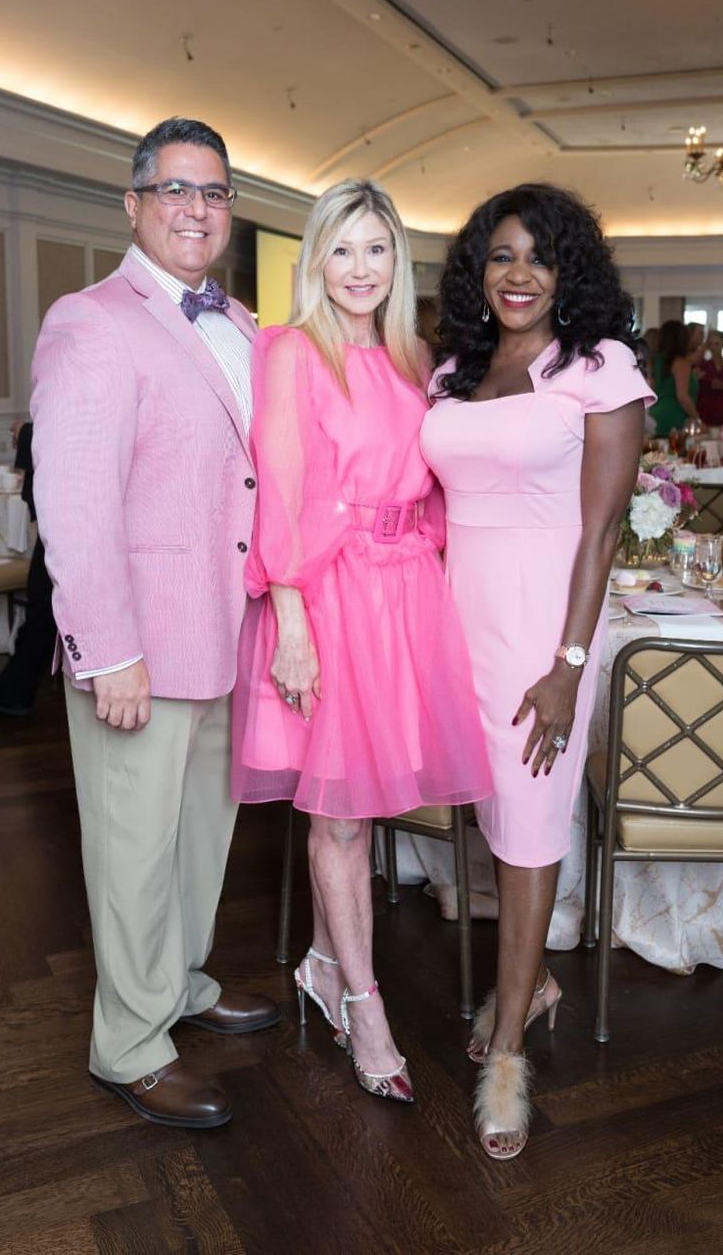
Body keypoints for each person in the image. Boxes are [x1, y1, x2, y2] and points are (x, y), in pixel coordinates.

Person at [31, 117, 279, 1132]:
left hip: (225, 634)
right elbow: (75, 502)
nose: (195, 207)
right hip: (138, 644)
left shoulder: (247, 324)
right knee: (131, 845)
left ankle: (175, 980)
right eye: (173, 188)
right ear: (131, 204)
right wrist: (108, 651)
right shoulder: (89, 319)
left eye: (214, 192)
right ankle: (127, 1041)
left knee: (197, 838)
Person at [233, 179, 491, 1106]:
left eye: (375, 249)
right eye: (340, 250)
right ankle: (365, 1003)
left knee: (372, 804)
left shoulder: (416, 355)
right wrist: (291, 618)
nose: (358, 269)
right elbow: (283, 489)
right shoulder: (293, 352)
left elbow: (439, 488)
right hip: (328, 596)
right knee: (337, 814)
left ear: (397, 261)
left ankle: (320, 958)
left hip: (405, 595)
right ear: (316, 258)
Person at [421, 183, 652, 1160]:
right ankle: (533, 983)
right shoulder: (451, 369)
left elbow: (598, 532)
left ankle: (507, 1045)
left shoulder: (597, 368)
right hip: (453, 621)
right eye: (500, 255)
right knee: (490, 814)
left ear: (569, 272)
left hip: (540, 633)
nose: (516, 275)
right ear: (479, 268)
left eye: (537, 257)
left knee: (527, 825)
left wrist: (566, 664)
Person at [0, 419, 57, 717]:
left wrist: (28, 431)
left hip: (67, 517)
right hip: (66, 516)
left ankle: (14, 691)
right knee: (42, 603)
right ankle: (14, 688)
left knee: (42, 604)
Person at [648, 318, 698, 437]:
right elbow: (682, 397)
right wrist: (697, 418)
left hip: (655, 416)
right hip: (676, 417)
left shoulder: (653, 360)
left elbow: (652, 389)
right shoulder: (681, 362)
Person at [695, 328, 723, 427]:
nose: (713, 347)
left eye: (717, 344)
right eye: (710, 344)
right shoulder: (702, 365)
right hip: (705, 411)